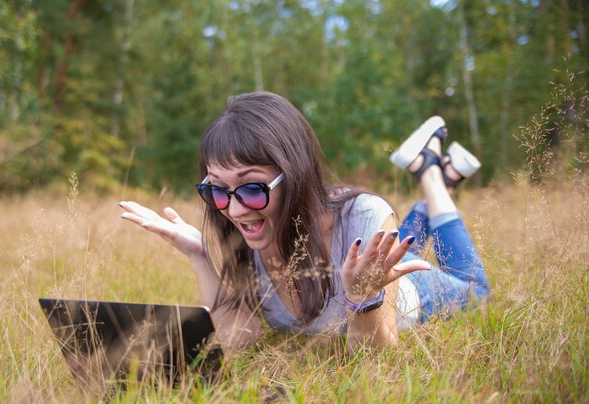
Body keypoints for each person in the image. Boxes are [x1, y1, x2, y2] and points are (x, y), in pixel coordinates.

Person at [118, 92, 489, 354]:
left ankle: (432, 175)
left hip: (416, 291)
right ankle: (440, 173)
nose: (233, 209)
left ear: (293, 175)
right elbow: (241, 339)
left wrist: (362, 298)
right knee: (387, 244)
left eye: (251, 188)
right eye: (217, 190)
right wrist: (199, 254)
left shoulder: (363, 215)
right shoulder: (243, 237)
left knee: (478, 289)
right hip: (370, 250)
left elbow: (374, 356)